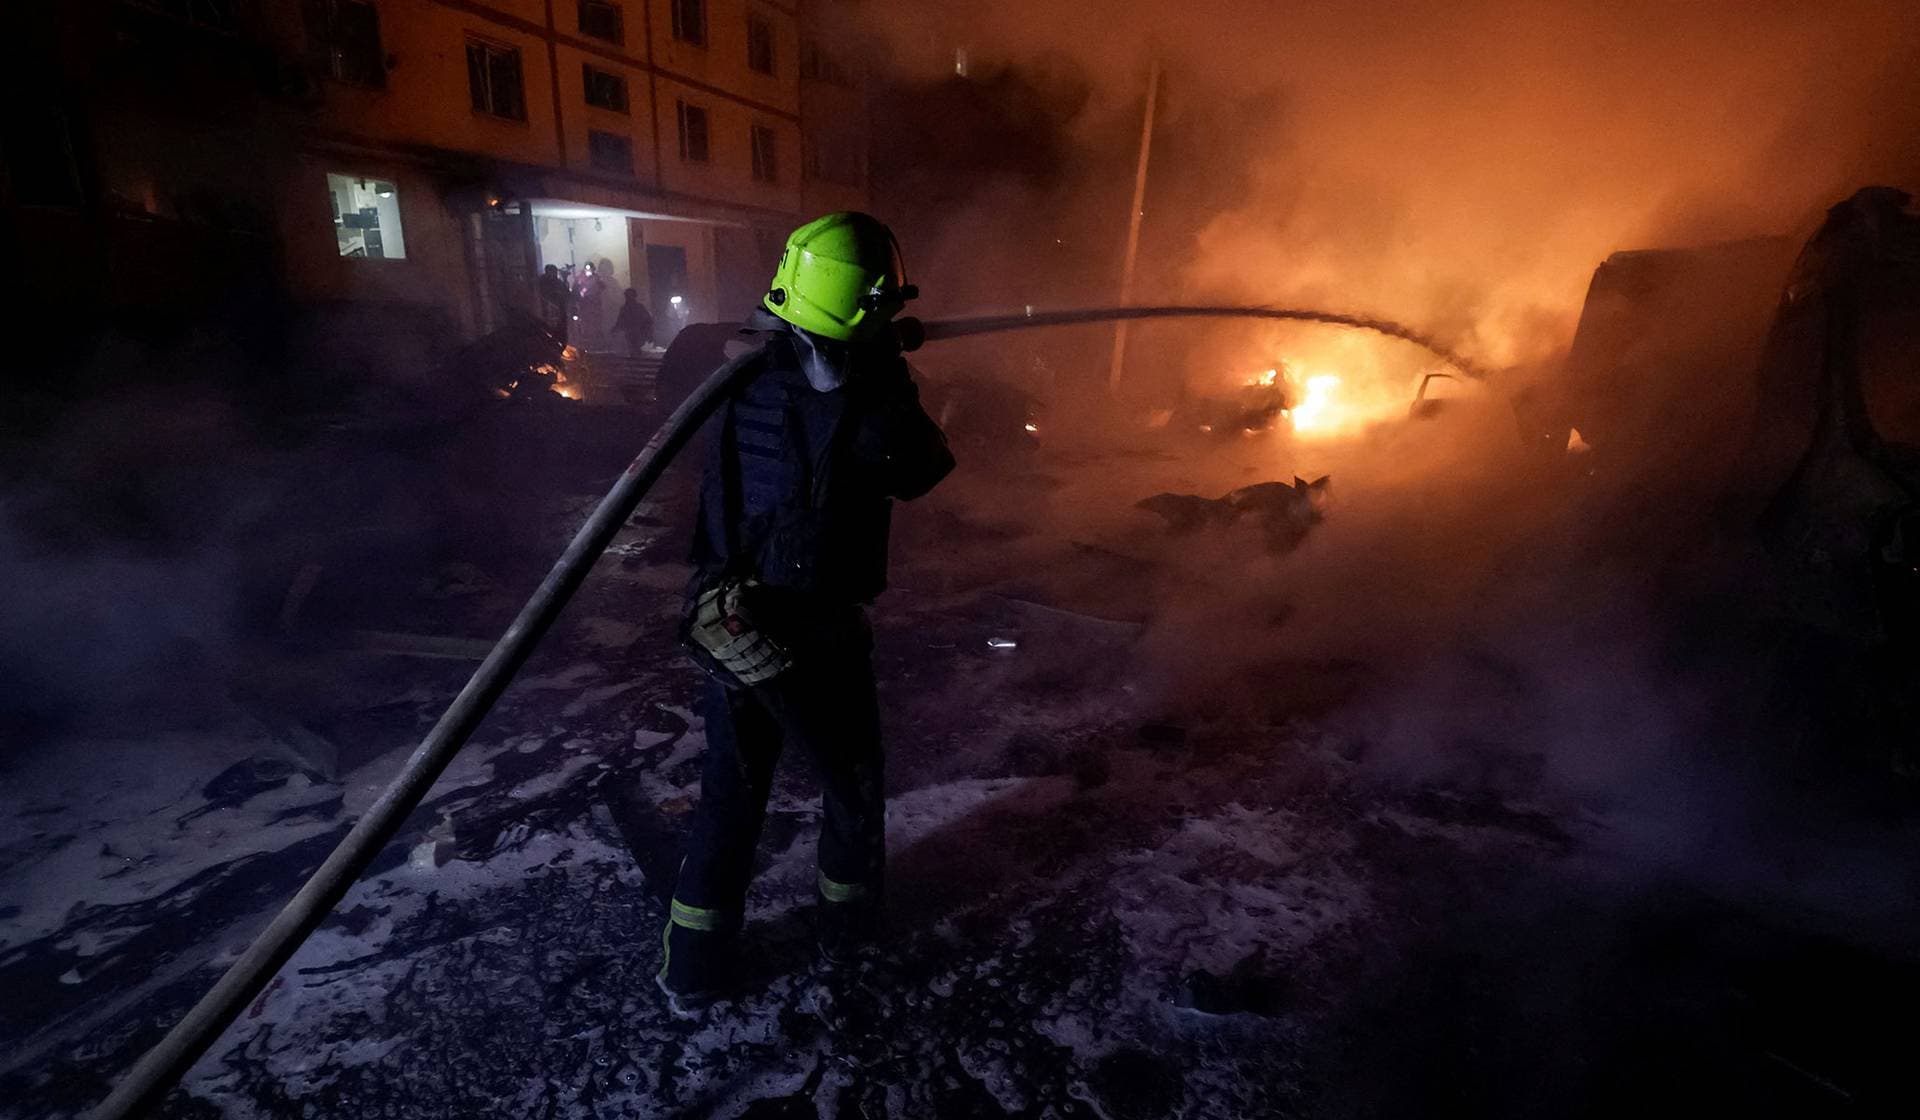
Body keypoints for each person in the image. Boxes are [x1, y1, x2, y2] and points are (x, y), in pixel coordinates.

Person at [657, 212, 954, 1015]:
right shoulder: (859, 400)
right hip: (814, 627)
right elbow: (923, 468)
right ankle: (848, 932)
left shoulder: (732, 370)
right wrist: (886, 374)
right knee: (851, 785)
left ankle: (692, 971)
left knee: (731, 793)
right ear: (862, 308)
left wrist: (859, 356)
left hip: (727, 616)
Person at [613, 287, 655, 357]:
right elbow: (620, 320)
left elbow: (647, 319)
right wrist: (616, 328)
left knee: (635, 346)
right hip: (630, 331)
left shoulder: (639, 307)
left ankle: (636, 355)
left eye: (630, 295)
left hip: (638, 331)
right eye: (627, 296)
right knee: (633, 346)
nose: (628, 298)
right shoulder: (625, 308)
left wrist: (648, 331)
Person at [538, 264, 571, 342]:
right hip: (546, 312)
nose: (553, 274)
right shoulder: (541, 282)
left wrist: (565, 280)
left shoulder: (558, 282)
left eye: (554, 272)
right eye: (551, 272)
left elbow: (567, 294)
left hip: (559, 313)